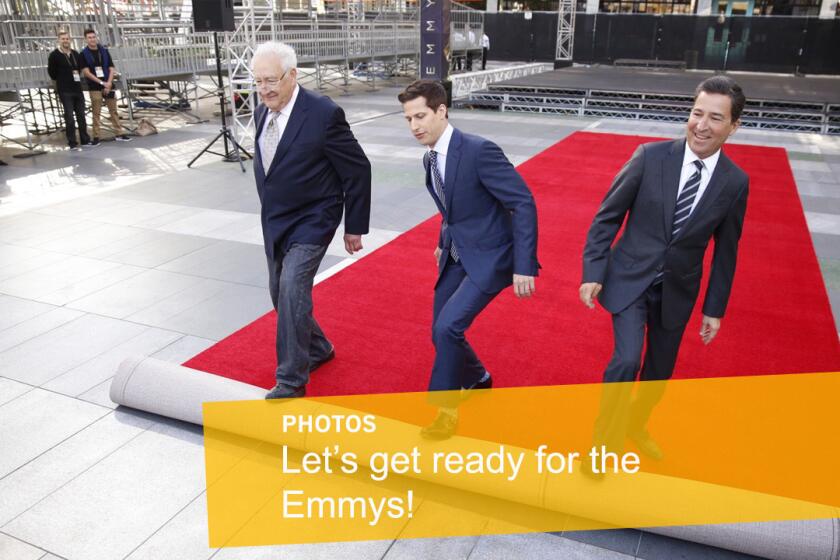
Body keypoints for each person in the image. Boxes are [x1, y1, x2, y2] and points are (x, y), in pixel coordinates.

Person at [580, 76, 749, 464]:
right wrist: (593, 270)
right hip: (628, 279)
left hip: (677, 289)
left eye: (715, 118)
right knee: (627, 360)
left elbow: (727, 250)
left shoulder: (735, 182)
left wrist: (714, 308)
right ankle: (604, 446)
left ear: (734, 126)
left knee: (658, 374)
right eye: (696, 113)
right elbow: (607, 217)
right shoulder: (649, 157)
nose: (701, 125)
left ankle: (636, 424)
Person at [398, 80, 540, 439]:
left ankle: (446, 412)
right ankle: (477, 376)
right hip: (456, 254)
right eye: (408, 119)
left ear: (441, 111)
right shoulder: (429, 157)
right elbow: (452, 210)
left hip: (490, 257)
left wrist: (524, 265)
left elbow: (521, 202)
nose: (414, 126)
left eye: (420, 116)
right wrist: (442, 240)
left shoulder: (479, 151)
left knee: (448, 328)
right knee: (440, 330)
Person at [252, 42, 371, 400]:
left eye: (271, 80)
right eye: (258, 82)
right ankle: (318, 348)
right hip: (276, 220)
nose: (264, 89)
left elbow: (358, 168)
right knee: (279, 292)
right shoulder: (262, 112)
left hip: (315, 217)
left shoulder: (323, 113)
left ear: (292, 75)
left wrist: (354, 225)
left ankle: (291, 380)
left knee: (291, 287)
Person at [80, 29, 131, 144]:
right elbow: (86, 72)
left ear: (96, 37)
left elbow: (111, 68)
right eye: (89, 37)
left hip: (108, 84)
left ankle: (119, 133)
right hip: (94, 86)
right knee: (96, 112)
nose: (92, 39)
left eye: (94, 37)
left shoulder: (104, 51)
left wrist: (108, 83)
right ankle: (96, 137)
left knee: (113, 110)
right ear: (85, 39)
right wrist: (102, 83)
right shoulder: (83, 54)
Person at [47, 31, 91, 151]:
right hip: (65, 90)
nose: (65, 41)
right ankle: (72, 142)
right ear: (59, 40)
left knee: (81, 115)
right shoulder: (54, 55)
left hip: (77, 88)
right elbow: (52, 73)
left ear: (70, 40)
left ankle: (85, 139)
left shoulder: (75, 54)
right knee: (69, 117)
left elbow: (79, 68)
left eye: (67, 39)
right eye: (63, 39)